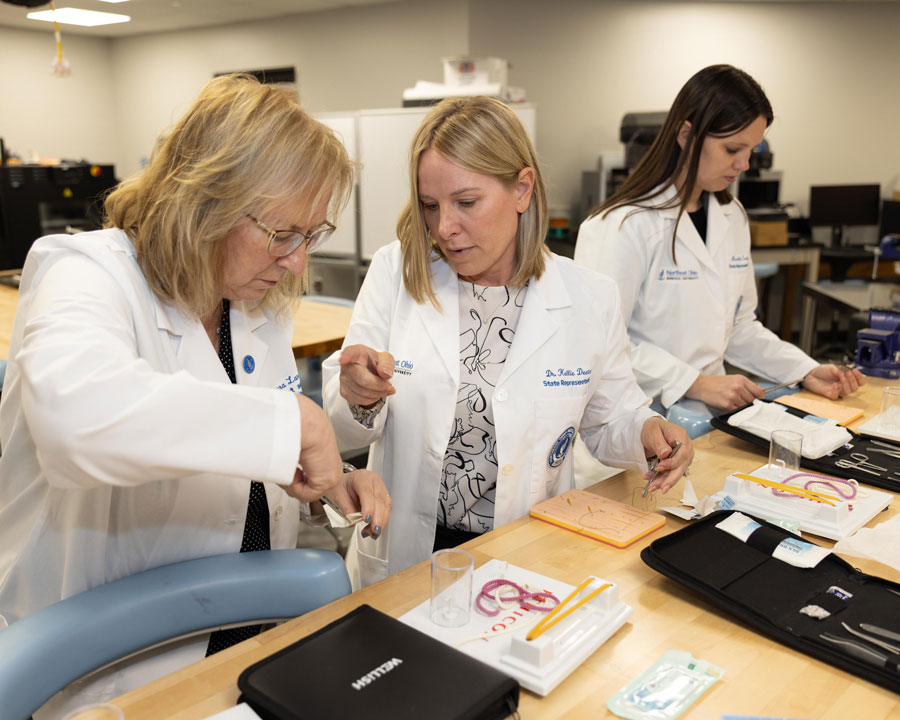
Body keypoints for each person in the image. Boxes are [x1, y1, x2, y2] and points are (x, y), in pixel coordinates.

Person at [0, 74, 390, 715]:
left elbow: (237, 460)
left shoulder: (250, 303)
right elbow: (76, 421)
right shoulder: (87, 274)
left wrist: (325, 484)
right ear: (204, 201)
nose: (298, 261)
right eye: (281, 233)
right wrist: (293, 425)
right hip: (110, 672)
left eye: (311, 235)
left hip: (248, 636)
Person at [322, 96, 692, 589]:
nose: (444, 227)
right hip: (404, 552)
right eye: (430, 206)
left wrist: (647, 431)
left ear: (522, 189)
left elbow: (611, 420)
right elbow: (342, 429)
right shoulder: (396, 273)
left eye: (466, 203)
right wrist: (357, 394)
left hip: (524, 550)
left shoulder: (589, 297)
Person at [574, 64, 864, 414]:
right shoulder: (620, 225)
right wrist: (695, 382)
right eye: (732, 150)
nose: (744, 164)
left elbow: (739, 328)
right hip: (635, 418)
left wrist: (804, 370)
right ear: (686, 136)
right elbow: (598, 344)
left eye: (751, 151)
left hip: (707, 415)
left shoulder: (732, 216)